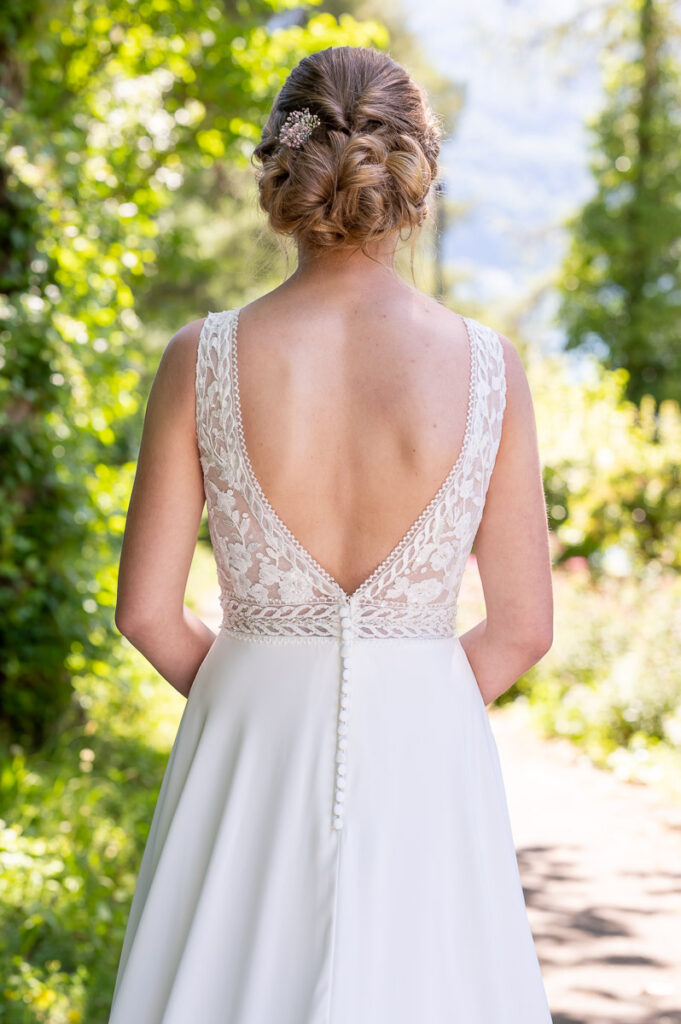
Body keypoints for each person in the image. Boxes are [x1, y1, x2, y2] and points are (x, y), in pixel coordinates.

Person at [109, 44, 554, 1024]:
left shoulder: (201, 357)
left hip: (248, 747)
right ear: (415, 176)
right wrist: (413, 701)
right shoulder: (490, 367)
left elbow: (145, 614)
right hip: (427, 751)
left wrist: (257, 697)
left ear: (282, 164)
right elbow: (523, 627)